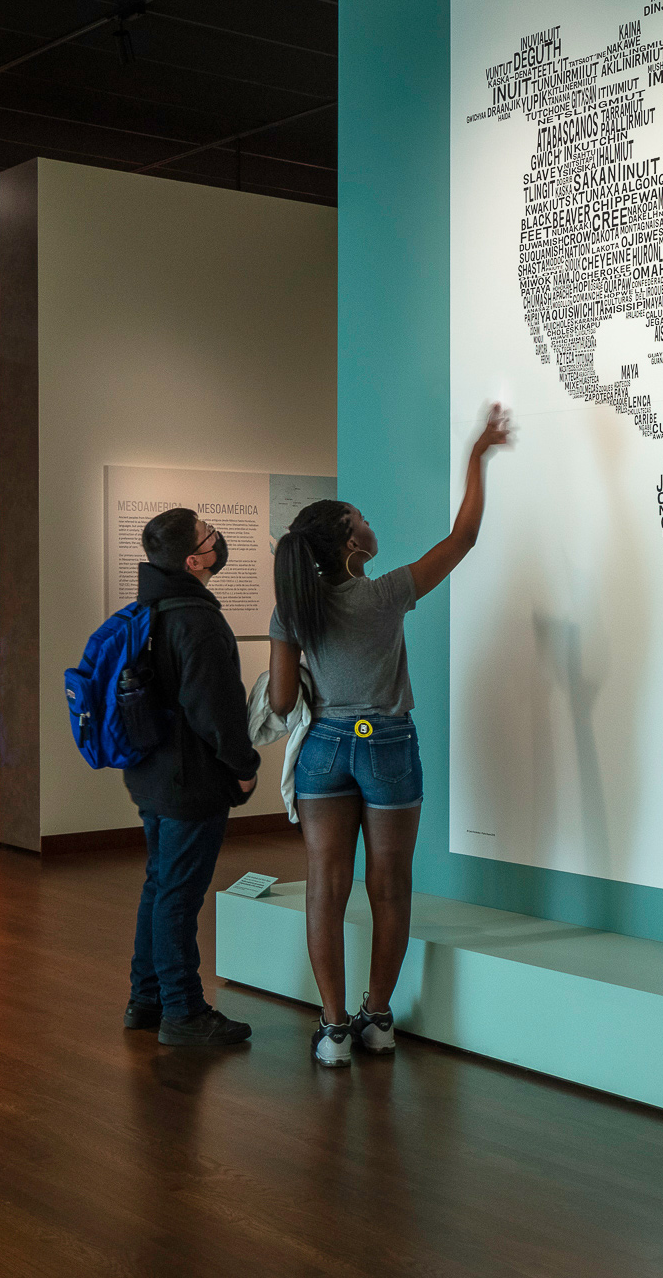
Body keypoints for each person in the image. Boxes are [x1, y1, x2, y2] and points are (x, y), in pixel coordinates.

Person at [266, 405, 512, 1068]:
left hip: (324, 751)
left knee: (324, 885)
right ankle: (379, 1018)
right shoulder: (385, 595)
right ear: (352, 545)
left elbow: (283, 699)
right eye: (362, 520)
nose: (371, 524)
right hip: (389, 745)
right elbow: (462, 537)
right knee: (390, 886)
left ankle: (333, 1029)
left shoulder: (293, 607)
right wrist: (477, 457)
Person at [122, 508, 261, 1048]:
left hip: (152, 774)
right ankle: (183, 1011)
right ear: (194, 559)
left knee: (160, 885)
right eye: (208, 533)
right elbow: (216, 710)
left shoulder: (149, 608)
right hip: (191, 781)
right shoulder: (196, 619)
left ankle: (146, 998)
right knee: (179, 894)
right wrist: (244, 768)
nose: (216, 537)